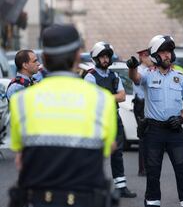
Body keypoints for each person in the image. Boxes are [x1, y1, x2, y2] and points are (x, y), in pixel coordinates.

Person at [8, 24, 118, 207]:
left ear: (45, 58)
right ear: (77, 55)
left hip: (38, 200)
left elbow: (20, 158)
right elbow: (108, 149)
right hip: (86, 200)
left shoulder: (21, 100)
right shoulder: (102, 100)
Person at [127, 35, 183, 207]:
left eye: (169, 52)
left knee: (182, 170)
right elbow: (135, 78)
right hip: (154, 132)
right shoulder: (148, 75)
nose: (167, 55)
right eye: (163, 52)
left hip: (175, 131)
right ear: (155, 55)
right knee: (153, 171)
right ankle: (152, 202)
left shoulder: (180, 77)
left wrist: (181, 118)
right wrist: (132, 68)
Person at [84, 41, 137, 198]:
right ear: (95, 58)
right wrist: (111, 97)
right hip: (97, 120)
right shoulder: (90, 77)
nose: (105, 60)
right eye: (102, 57)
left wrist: (104, 96)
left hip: (114, 118)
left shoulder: (114, 76)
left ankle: (121, 187)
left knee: (117, 153)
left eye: (107, 56)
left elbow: (122, 96)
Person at [133, 48, 154, 177]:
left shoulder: (148, 70)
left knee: (149, 137)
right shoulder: (140, 71)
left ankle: (148, 166)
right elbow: (139, 82)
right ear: (141, 58)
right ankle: (143, 168)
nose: (149, 59)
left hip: (147, 104)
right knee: (144, 137)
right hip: (141, 104)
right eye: (147, 57)